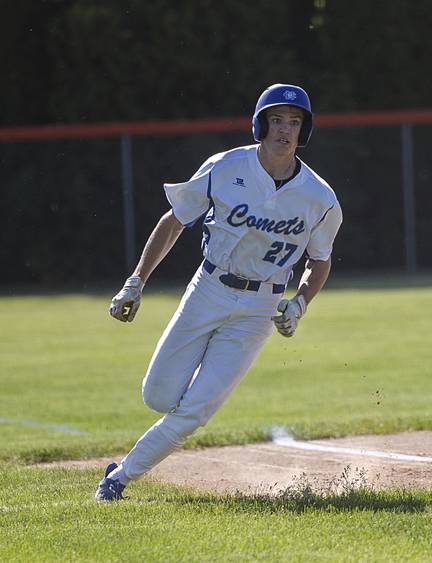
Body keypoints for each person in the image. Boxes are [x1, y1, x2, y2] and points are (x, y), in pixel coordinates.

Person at [95, 83, 342, 501]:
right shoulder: (225, 167)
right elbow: (174, 221)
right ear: (261, 125)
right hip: (208, 288)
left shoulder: (320, 197)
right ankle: (129, 463)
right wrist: (136, 280)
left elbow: (320, 260)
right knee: (157, 396)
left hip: (259, 308)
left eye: (294, 122)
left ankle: (119, 478)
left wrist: (300, 302)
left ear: (305, 131)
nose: (285, 130)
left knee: (196, 410)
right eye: (277, 120)